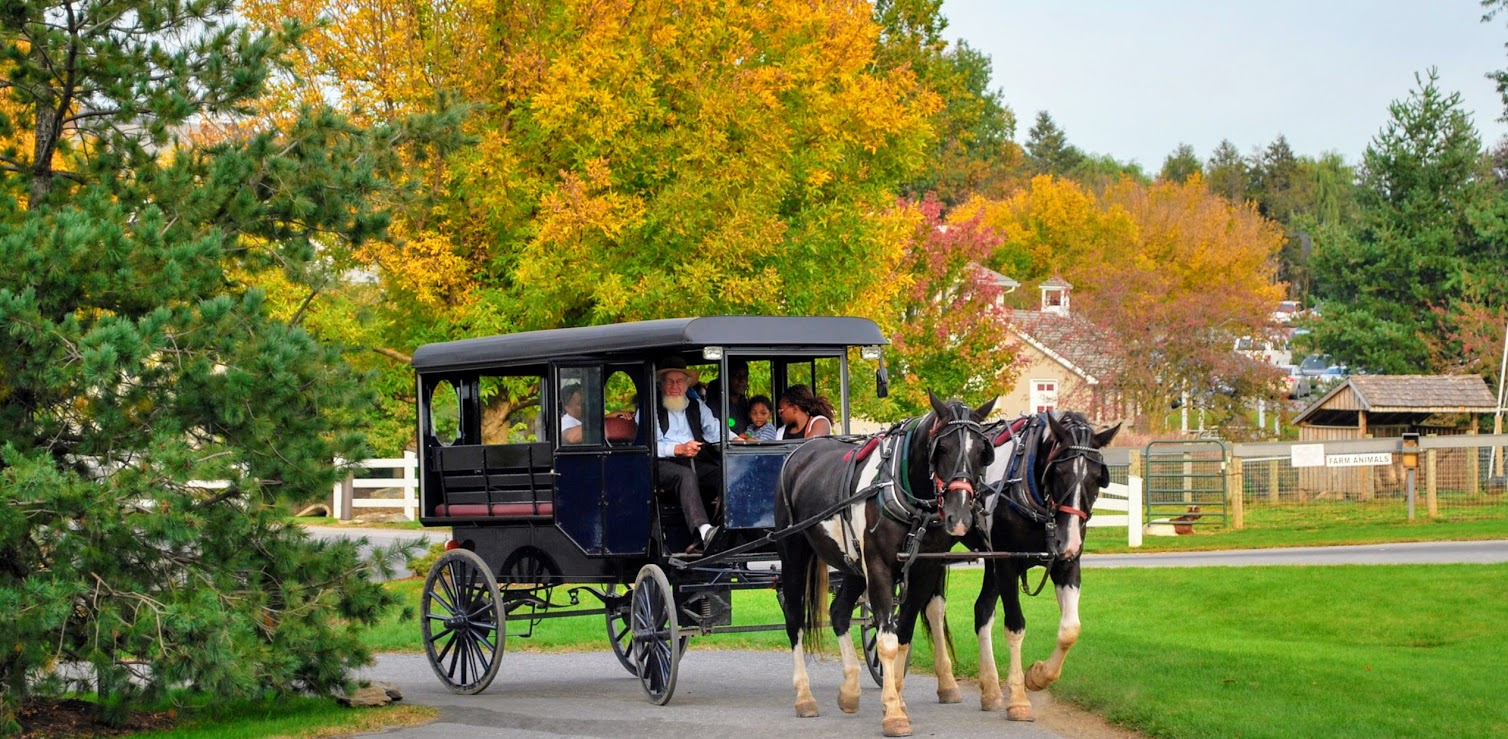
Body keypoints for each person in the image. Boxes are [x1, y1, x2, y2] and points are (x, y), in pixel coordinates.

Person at [653, 356, 724, 552]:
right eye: (670, 381)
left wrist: (738, 439)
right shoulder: (651, 407)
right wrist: (678, 449)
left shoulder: (696, 404)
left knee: (724, 474)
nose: (675, 386)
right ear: (661, 384)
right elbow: (651, 445)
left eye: (679, 381)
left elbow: (715, 430)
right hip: (661, 464)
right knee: (686, 476)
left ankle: (724, 528)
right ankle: (703, 531)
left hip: (695, 459)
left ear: (686, 384)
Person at [704, 359, 751, 432]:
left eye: (745, 376)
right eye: (737, 375)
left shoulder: (747, 405)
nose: (742, 380)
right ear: (726, 377)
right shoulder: (713, 407)